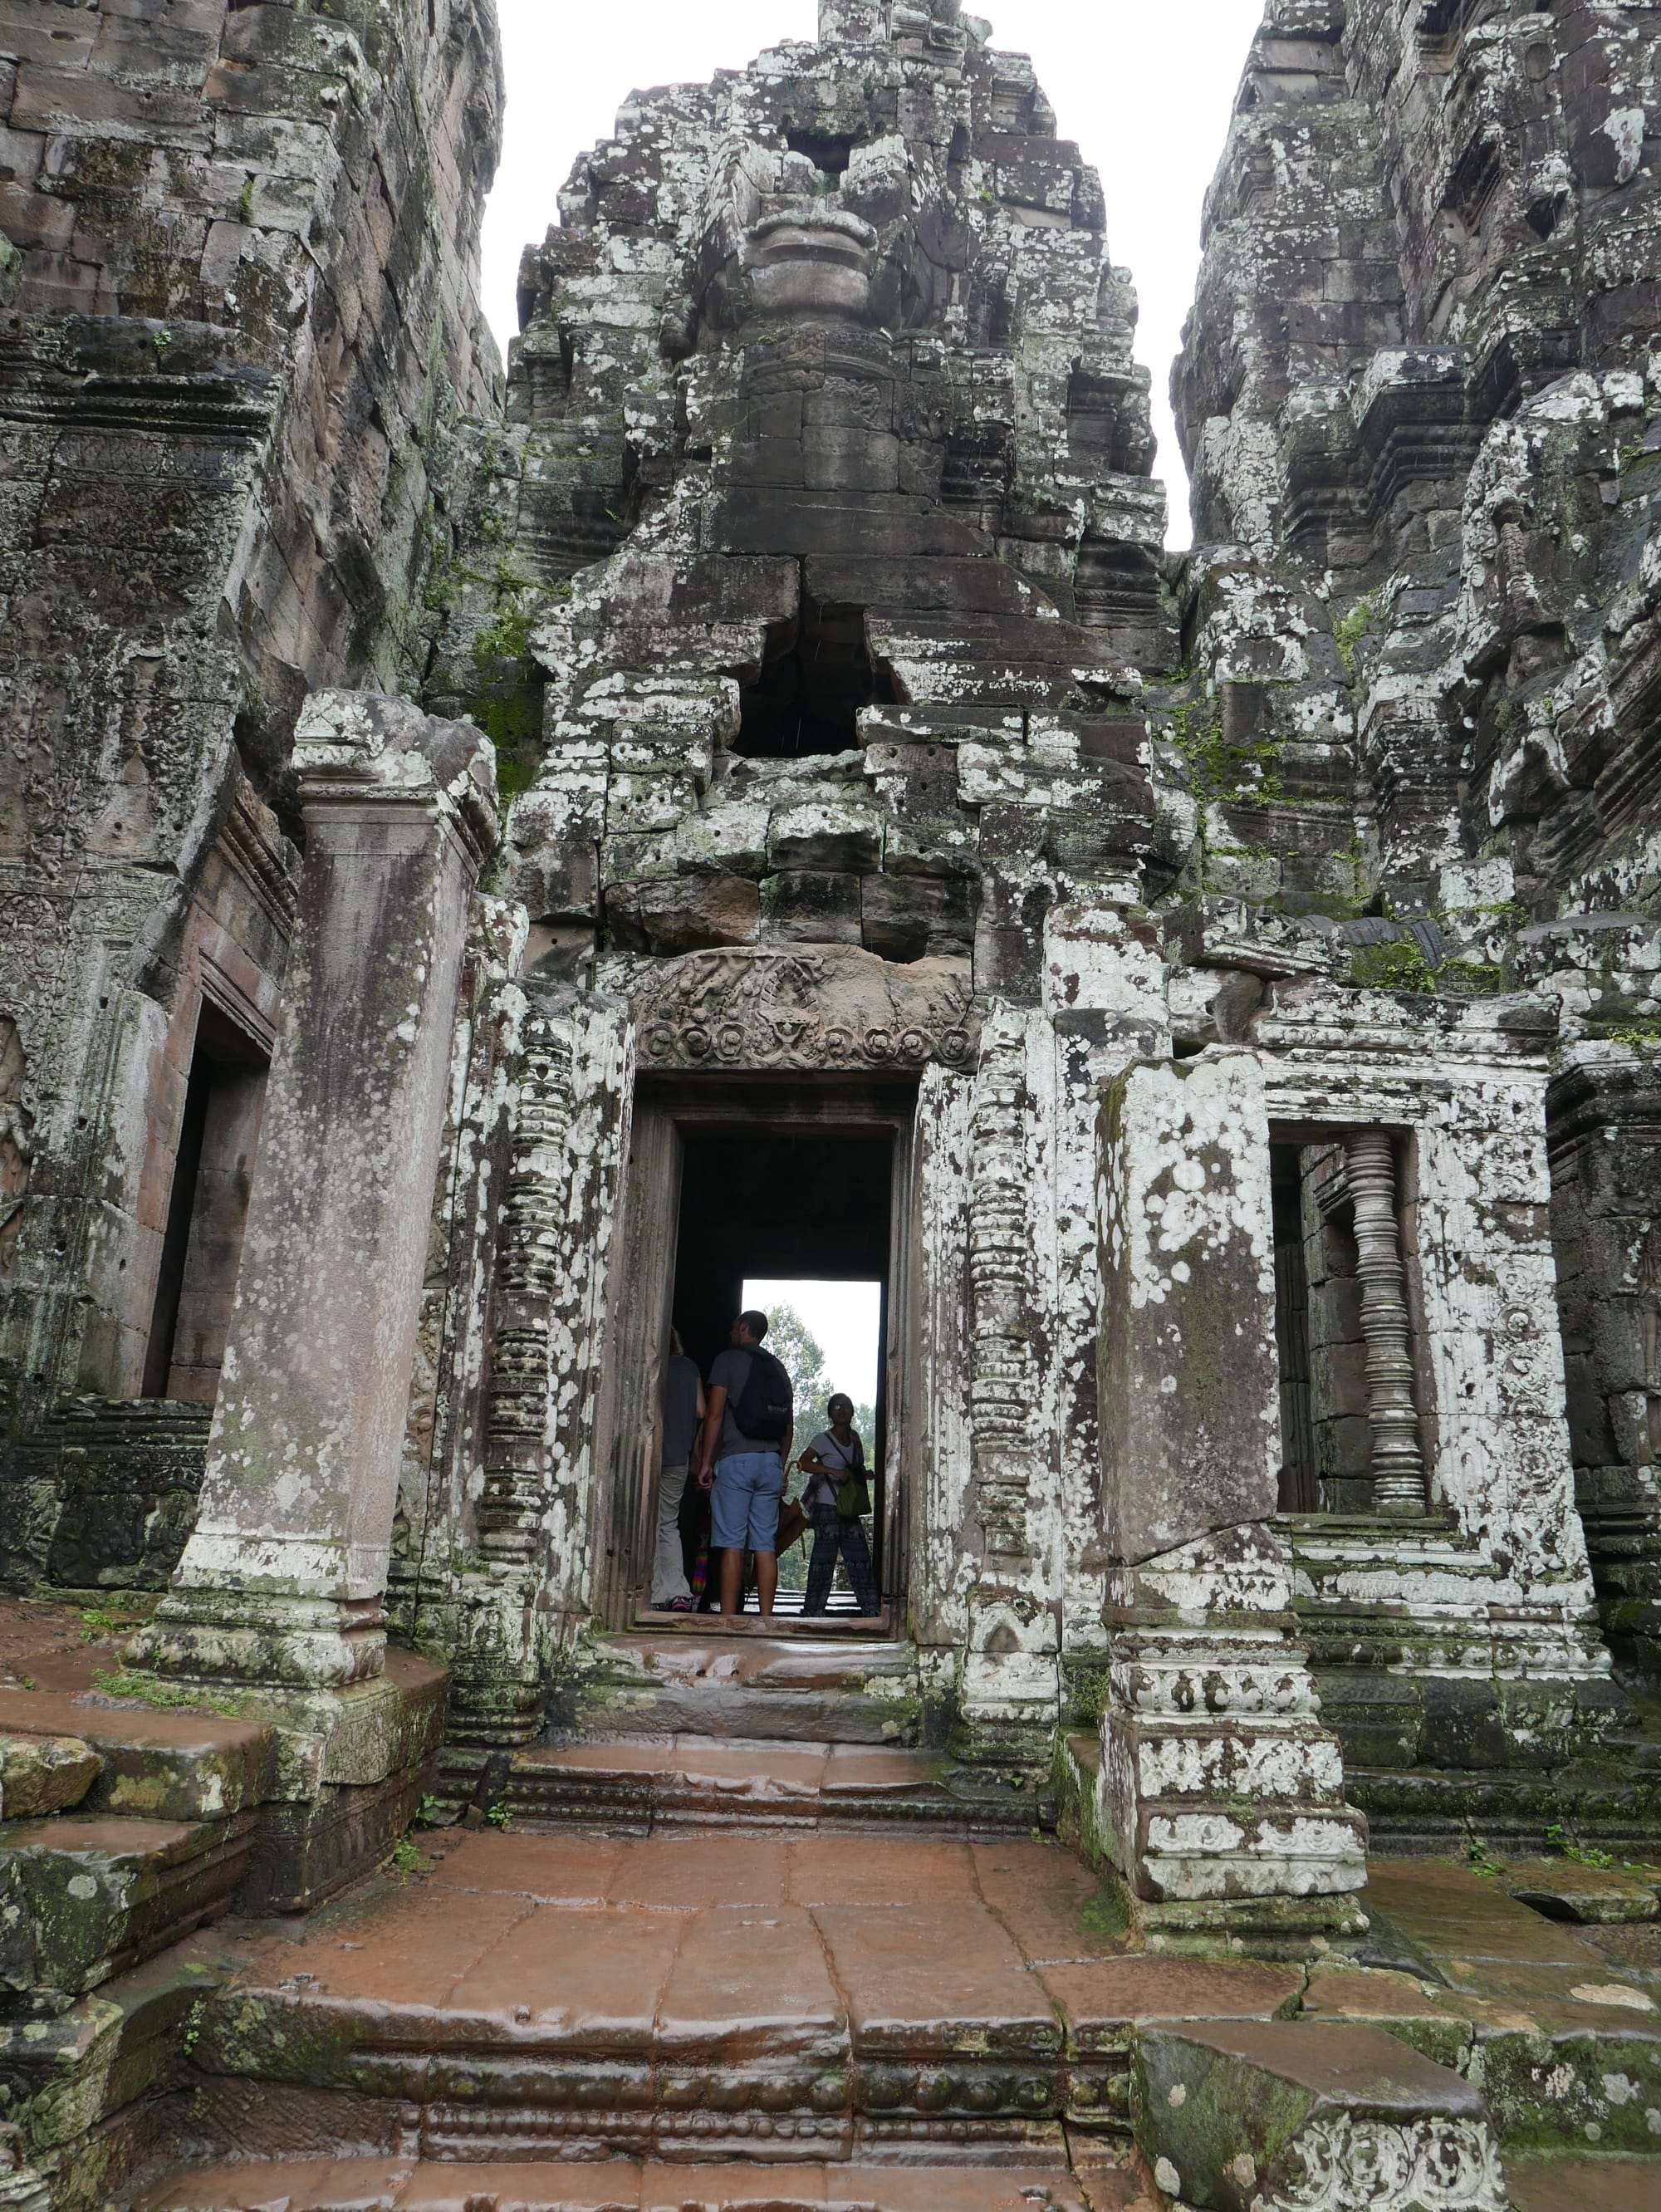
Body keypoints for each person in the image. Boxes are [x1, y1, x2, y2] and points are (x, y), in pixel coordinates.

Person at [697, 1310, 792, 1621]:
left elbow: (713, 1415)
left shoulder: (727, 1360)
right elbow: (788, 1427)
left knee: (732, 1544)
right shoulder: (778, 1368)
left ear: (743, 1327)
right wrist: (778, 1463)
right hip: (769, 1463)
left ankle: (728, 1620)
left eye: (733, 1326)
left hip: (736, 1461)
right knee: (765, 1544)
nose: (730, 1332)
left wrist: (706, 1462)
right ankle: (765, 1620)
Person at [798, 1395, 880, 1617]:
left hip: (850, 1508)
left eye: (845, 1407)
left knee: (860, 1559)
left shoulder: (855, 1439)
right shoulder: (822, 1439)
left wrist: (865, 1474)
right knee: (822, 1562)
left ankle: (872, 1610)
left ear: (852, 1411)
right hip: (827, 1507)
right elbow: (803, 1463)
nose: (841, 1410)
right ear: (830, 1413)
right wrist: (831, 1472)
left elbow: (856, 1467)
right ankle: (813, 1610)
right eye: (836, 1407)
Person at [652, 1328, 704, 1611]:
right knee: (668, 1523)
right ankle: (678, 1593)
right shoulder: (688, 1367)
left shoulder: (651, 1365)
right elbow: (701, 1410)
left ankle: (655, 1591)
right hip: (678, 1456)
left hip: (648, 1456)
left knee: (647, 1524)